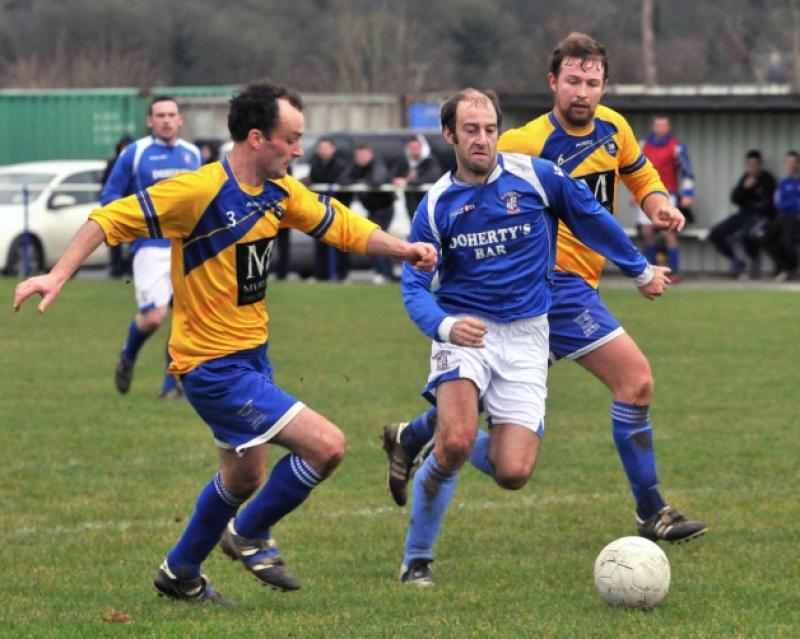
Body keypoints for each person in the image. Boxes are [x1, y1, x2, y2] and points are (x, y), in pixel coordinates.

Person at [14, 80, 436, 604]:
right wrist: (56, 276)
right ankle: (250, 532)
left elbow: (340, 226)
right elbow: (106, 219)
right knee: (327, 447)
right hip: (211, 366)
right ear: (257, 138)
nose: (300, 149)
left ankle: (180, 572)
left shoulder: (281, 193)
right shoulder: (197, 192)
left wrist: (405, 249)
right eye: (292, 138)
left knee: (242, 476)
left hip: (251, 358)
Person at [382, 32, 707, 555]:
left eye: (593, 82)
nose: (583, 92)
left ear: (604, 85)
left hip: (576, 287)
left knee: (497, 435)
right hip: (553, 287)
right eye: (573, 81)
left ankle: (417, 436)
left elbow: (638, 173)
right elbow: (474, 187)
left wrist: (658, 205)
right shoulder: (522, 146)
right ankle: (652, 511)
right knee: (636, 381)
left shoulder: (613, 126)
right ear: (553, 82)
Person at [103, 97, 202, 399]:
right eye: (160, 115)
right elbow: (110, 195)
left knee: (185, 317)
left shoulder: (192, 154)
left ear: (180, 119)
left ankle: (172, 385)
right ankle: (128, 355)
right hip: (150, 246)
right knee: (155, 317)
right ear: (149, 121)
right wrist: (130, 230)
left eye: (171, 115)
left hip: (185, 245)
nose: (166, 120)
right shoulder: (136, 153)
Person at [637, 115, 695, 283]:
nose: (661, 129)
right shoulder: (643, 146)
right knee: (647, 230)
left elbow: (687, 171)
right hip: (646, 193)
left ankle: (673, 271)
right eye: (658, 126)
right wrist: (634, 193)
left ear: (668, 128)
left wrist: (688, 194)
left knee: (669, 231)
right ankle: (650, 271)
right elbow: (634, 172)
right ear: (653, 127)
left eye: (664, 126)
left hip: (669, 194)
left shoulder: (676, 147)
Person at [708, 150, 777, 279]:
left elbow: (768, 203)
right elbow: (734, 198)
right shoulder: (746, 178)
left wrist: (752, 202)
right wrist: (744, 188)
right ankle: (735, 260)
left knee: (748, 234)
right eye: (749, 165)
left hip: (760, 216)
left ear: (760, 164)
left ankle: (754, 264)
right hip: (744, 214)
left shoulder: (767, 179)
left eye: (754, 164)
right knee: (715, 233)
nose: (752, 168)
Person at [343, 144, 396, 284]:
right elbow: (342, 179)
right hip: (372, 211)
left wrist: (361, 182)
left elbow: (377, 180)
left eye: (363, 154)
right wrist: (360, 181)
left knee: (378, 242)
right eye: (358, 155)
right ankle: (384, 273)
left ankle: (384, 273)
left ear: (371, 154)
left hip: (384, 210)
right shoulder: (355, 167)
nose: (360, 158)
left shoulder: (378, 165)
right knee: (373, 241)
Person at [305, 137, 353, 280]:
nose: (324, 151)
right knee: (321, 243)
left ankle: (342, 275)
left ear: (333, 149)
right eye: (321, 148)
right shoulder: (315, 164)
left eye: (326, 148)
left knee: (340, 243)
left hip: (339, 211)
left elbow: (344, 182)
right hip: (320, 211)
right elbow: (313, 181)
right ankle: (321, 275)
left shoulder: (342, 165)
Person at [763, 150, 800, 281]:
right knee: (766, 238)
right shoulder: (784, 183)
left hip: (796, 218)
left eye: (792, 162)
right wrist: (794, 201)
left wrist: (791, 203)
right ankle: (785, 267)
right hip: (783, 216)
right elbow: (779, 203)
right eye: (788, 162)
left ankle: (789, 268)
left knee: (786, 241)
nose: (790, 165)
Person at [101, 135, 134, 278]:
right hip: (117, 208)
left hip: (133, 207)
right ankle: (116, 267)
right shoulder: (114, 163)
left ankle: (131, 268)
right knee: (114, 240)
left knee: (134, 239)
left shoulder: (136, 163)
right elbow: (107, 186)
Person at [393, 135, 442, 220]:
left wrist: (407, 182)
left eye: (416, 147)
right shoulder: (405, 162)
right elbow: (393, 174)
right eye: (411, 147)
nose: (414, 150)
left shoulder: (430, 161)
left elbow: (433, 177)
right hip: (411, 203)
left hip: (428, 203)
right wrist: (396, 180)